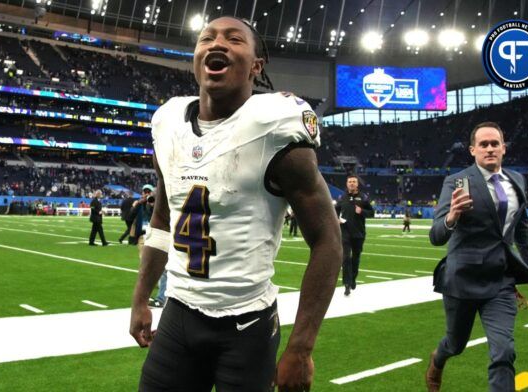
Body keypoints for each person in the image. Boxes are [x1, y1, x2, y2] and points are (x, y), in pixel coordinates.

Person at [129, 16, 342, 392]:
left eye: (234, 39)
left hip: (247, 325)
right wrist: (141, 298)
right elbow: (162, 221)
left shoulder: (275, 126)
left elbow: (328, 240)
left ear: (256, 66)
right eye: (206, 38)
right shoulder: (167, 122)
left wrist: (302, 347)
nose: (217, 44)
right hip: (178, 312)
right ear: (196, 57)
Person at [425, 122, 528, 392]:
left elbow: (521, 227)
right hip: (462, 279)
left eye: (495, 144)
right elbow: (436, 235)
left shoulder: (517, 180)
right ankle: (438, 358)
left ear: (503, 148)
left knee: (504, 352)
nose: (490, 149)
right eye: (484, 144)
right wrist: (452, 217)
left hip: (500, 281)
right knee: (455, 344)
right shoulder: (456, 182)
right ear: (472, 150)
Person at [336, 175, 374, 296]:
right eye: (349, 182)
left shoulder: (363, 197)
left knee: (355, 258)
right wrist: (336, 219)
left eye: (354, 182)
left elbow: (372, 213)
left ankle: (353, 278)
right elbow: (335, 210)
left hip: (359, 233)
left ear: (357, 184)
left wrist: (362, 211)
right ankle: (347, 284)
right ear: (347, 184)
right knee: (346, 258)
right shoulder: (342, 197)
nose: (351, 183)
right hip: (345, 232)